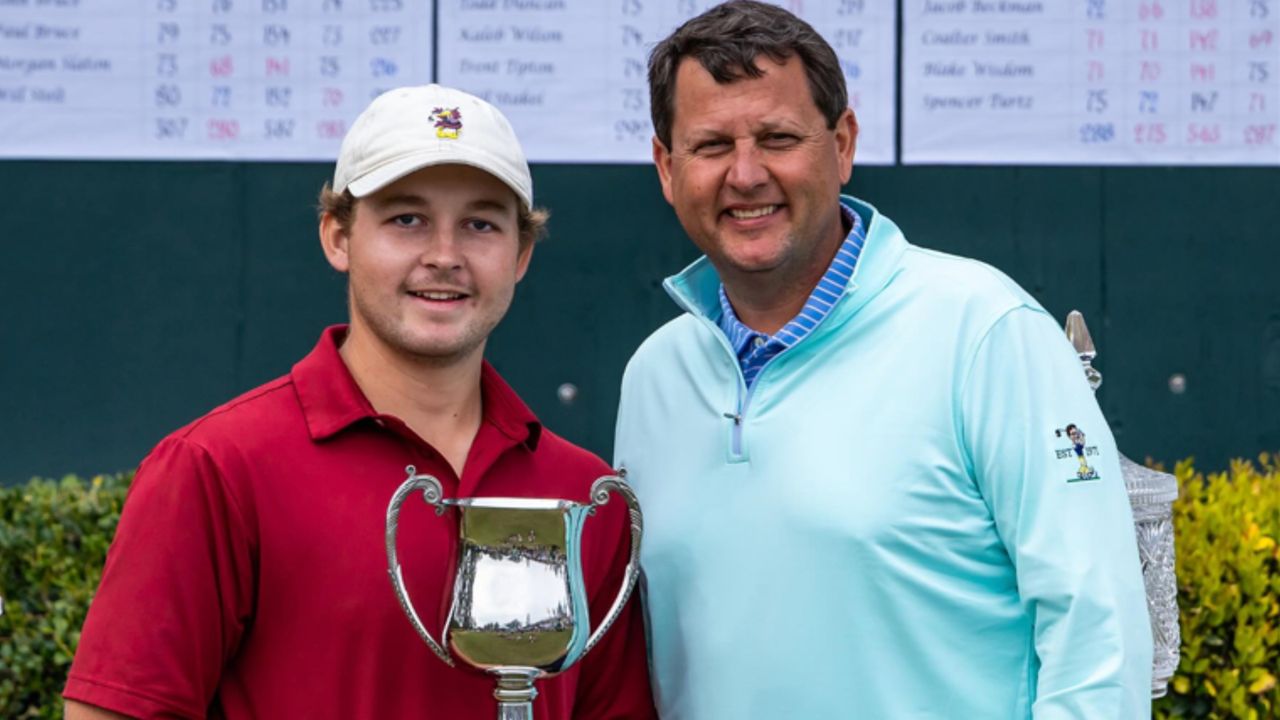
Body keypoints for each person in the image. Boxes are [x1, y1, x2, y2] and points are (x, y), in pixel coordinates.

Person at [613, 2, 1152, 718]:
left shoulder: (984, 331)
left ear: (842, 144)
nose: (745, 175)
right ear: (665, 167)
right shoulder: (655, 376)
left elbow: (1099, 637)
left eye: (777, 137)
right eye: (711, 145)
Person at [64, 84, 656, 719]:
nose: (444, 256)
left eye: (480, 224)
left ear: (521, 254)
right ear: (338, 237)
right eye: (407, 219)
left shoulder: (581, 494)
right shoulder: (217, 467)